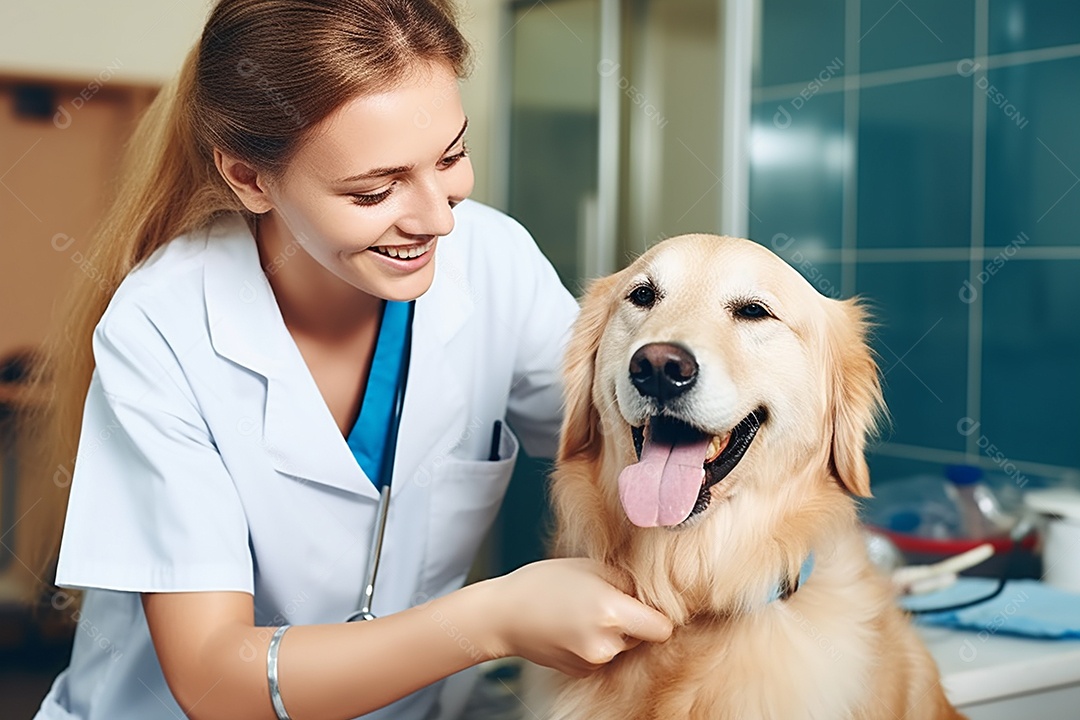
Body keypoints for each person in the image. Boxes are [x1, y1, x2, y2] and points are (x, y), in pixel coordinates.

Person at [25, 1, 672, 718]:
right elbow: (212, 676)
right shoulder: (163, 327)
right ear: (250, 178)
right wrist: (494, 620)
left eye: (452, 157)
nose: (438, 217)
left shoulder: (494, 263)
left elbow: (629, 448)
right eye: (376, 190)